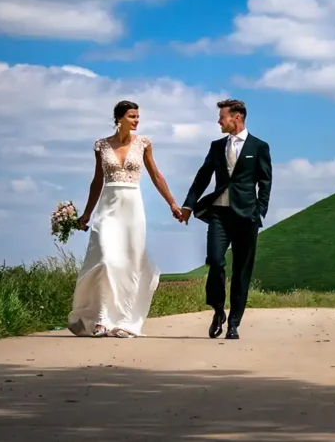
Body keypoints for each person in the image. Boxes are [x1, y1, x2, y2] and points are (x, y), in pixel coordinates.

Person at [68, 100, 183, 338]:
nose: (136, 120)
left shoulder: (144, 143)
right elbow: (97, 181)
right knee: (105, 260)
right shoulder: (101, 145)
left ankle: (123, 321)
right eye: (132, 116)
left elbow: (156, 176)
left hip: (132, 209)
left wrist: (172, 203)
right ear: (119, 118)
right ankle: (100, 319)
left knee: (129, 263)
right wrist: (88, 212)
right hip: (107, 208)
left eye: (138, 116)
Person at [179, 98, 272, 340]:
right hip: (219, 215)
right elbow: (202, 177)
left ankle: (234, 323)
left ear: (236, 117)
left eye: (222, 117)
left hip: (246, 217)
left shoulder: (259, 147)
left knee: (242, 270)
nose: (218, 121)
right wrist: (188, 205)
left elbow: (265, 181)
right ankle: (218, 310)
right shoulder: (216, 146)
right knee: (216, 261)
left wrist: (260, 210)